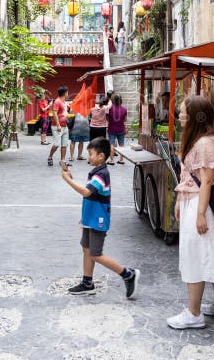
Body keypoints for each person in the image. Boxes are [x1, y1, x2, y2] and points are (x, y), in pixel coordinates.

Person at [167, 96, 214, 330]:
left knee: (194, 255)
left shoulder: (204, 143)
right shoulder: (200, 140)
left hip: (199, 204)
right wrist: (179, 200)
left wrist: (200, 214)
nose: (179, 116)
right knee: (212, 253)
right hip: (194, 201)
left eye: (183, 112)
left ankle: (194, 313)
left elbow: (206, 182)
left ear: (196, 115)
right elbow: (189, 177)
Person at [60, 137, 140, 298]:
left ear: (101, 156)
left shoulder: (102, 174)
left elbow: (86, 192)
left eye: (91, 154)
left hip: (98, 220)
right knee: (87, 249)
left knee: (95, 253)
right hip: (90, 219)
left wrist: (67, 180)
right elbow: (90, 193)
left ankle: (128, 274)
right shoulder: (96, 172)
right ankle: (87, 283)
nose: (88, 157)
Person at [47, 86, 69, 167]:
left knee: (64, 144)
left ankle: (63, 161)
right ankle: (50, 157)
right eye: (67, 92)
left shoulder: (64, 102)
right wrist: (58, 125)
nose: (68, 94)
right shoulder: (57, 101)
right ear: (65, 93)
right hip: (57, 127)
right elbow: (55, 114)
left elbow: (63, 112)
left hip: (65, 126)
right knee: (56, 144)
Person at [106, 94, 127, 165]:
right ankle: (121, 160)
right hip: (121, 128)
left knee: (111, 144)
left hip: (111, 128)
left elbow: (107, 119)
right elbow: (125, 120)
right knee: (121, 144)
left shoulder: (110, 109)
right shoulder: (124, 109)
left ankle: (111, 160)